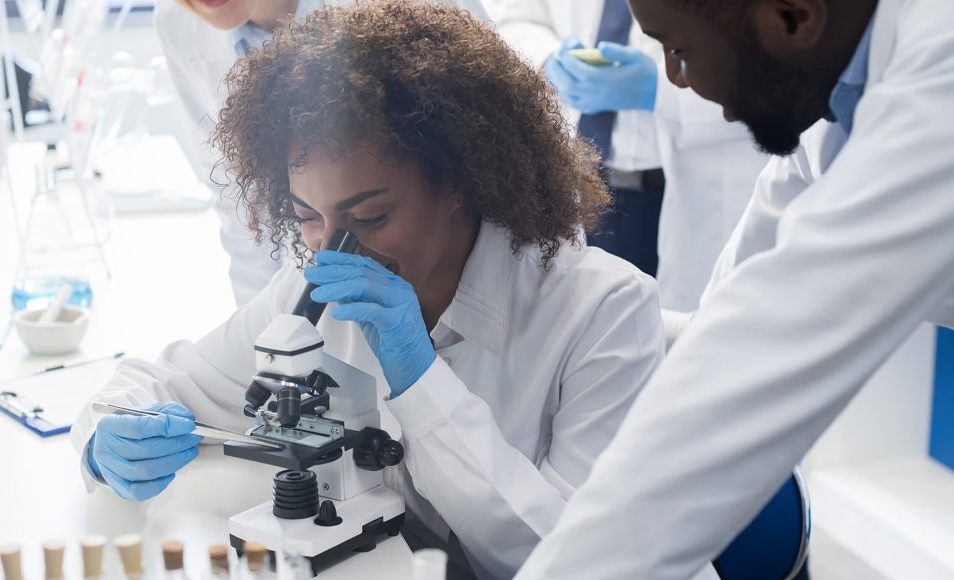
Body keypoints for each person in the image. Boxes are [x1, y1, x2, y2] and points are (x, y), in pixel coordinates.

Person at [72, 2, 667, 577]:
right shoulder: (313, 293)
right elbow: (155, 382)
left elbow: (567, 558)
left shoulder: (606, 311)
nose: (334, 249)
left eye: (372, 217)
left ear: (460, 181)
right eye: (307, 216)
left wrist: (421, 381)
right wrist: (106, 442)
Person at [515, 0, 954, 577]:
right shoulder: (833, 103)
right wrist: (616, 330)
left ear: (794, 18)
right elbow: (732, 311)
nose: (678, 80)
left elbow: (742, 379)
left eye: (678, 50)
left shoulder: (939, 81)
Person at [154, 0, 487, 306]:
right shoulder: (178, 25)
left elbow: (489, 152)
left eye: (371, 215)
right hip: (309, 286)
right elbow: (238, 207)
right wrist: (265, 327)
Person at [489, 0, 770, 311]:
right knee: (585, 317)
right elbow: (514, 13)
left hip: (690, 191)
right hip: (580, 185)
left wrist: (660, 90)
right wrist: (547, 59)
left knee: (681, 323)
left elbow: (774, 72)